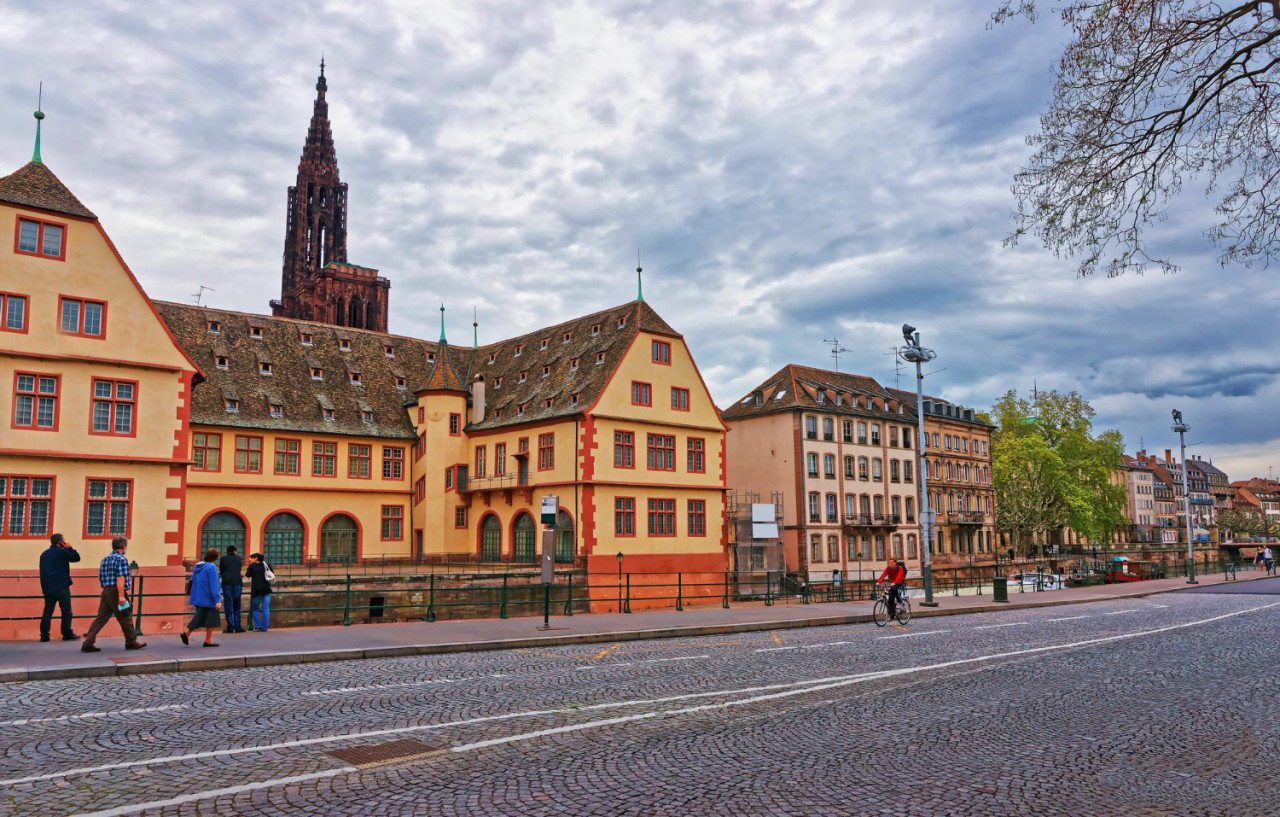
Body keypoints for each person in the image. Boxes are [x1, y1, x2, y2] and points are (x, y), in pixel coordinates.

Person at [80, 537, 145, 653]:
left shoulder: (104, 560)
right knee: (125, 617)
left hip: (105, 591)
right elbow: (120, 578)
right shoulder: (121, 559)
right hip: (116, 592)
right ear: (124, 546)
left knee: (101, 618)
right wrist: (121, 596)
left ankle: (88, 642)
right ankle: (131, 642)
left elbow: (101, 577)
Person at [38, 533, 81, 642]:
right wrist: (70, 547)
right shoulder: (62, 552)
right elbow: (76, 558)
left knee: (47, 611)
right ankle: (67, 633)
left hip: (48, 586)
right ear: (60, 542)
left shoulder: (44, 554)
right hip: (61, 585)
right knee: (66, 610)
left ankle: (44, 635)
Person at [181, 548, 223, 647]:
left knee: (199, 617)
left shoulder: (198, 566)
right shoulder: (211, 567)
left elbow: (192, 580)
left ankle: (187, 634)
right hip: (209, 598)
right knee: (212, 619)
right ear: (216, 558)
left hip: (199, 597)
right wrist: (217, 599)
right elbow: (214, 585)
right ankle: (207, 640)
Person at [219, 545, 244, 633]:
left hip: (227, 583)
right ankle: (237, 626)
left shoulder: (223, 559)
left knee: (228, 604)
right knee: (237, 605)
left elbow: (221, 571)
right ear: (235, 551)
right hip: (237, 582)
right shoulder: (239, 558)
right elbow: (239, 569)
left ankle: (230, 627)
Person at [245, 552, 272, 631]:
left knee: (255, 608)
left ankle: (258, 626)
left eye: (251, 558)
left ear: (256, 558)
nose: (250, 560)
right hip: (266, 589)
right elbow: (271, 574)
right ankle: (265, 627)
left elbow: (248, 574)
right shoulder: (266, 564)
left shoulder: (252, 566)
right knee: (266, 608)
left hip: (256, 590)